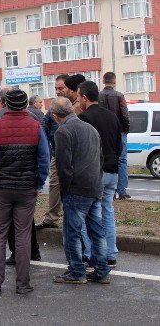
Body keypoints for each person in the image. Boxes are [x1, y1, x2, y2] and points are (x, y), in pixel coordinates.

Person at [0, 89, 50, 294]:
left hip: (1, 188)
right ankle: (22, 283)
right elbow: (44, 160)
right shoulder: (36, 126)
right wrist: (38, 183)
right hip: (26, 188)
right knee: (23, 235)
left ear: (7, 105)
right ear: (24, 105)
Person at [50, 97, 110, 284]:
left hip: (77, 189)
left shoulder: (63, 131)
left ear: (55, 116)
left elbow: (63, 165)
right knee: (97, 231)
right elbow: (100, 159)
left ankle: (77, 271)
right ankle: (102, 270)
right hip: (95, 186)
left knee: (72, 232)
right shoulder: (91, 129)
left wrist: (66, 190)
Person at [77, 81, 121, 268]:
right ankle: (110, 253)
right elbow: (119, 146)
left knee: (91, 216)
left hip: (96, 172)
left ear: (85, 98)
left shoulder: (85, 118)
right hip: (113, 170)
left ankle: (91, 253)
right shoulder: (112, 117)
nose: (78, 101)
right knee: (108, 213)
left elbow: (84, 149)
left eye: (79, 97)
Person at [36, 74, 70, 230]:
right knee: (55, 185)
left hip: (75, 155)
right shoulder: (53, 108)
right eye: (56, 88)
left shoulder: (74, 107)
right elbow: (43, 126)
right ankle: (52, 218)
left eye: (61, 88)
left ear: (69, 88)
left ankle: (72, 217)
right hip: (57, 153)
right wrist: (48, 141)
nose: (58, 91)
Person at [99, 72, 132, 200]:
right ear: (114, 81)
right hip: (119, 131)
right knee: (122, 160)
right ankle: (122, 191)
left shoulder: (99, 96)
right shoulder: (119, 96)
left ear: (103, 81)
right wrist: (125, 129)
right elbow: (125, 115)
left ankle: (109, 191)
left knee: (105, 158)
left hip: (103, 132)